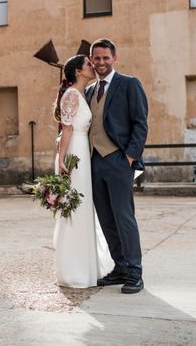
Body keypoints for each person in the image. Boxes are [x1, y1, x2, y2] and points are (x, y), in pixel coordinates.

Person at [87, 38, 148, 294]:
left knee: (124, 217)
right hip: (94, 162)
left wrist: (130, 157)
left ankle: (135, 272)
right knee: (106, 218)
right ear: (91, 61)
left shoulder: (129, 84)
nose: (101, 62)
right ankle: (120, 267)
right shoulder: (89, 90)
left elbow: (140, 123)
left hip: (118, 160)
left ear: (114, 58)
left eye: (105, 58)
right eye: (97, 58)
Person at [53, 54, 114, 288]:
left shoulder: (81, 94)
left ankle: (85, 265)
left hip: (83, 154)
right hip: (74, 155)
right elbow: (66, 129)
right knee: (75, 209)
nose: (94, 66)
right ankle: (73, 269)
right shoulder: (71, 95)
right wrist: (62, 162)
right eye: (89, 64)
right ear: (79, 72)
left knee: (83, 209)